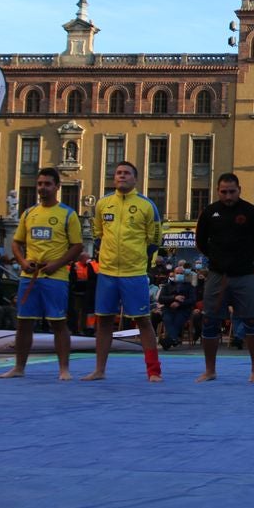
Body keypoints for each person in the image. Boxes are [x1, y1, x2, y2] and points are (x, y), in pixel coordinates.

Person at [82, 161, 164, 382]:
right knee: (104, 320)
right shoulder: (103, 204)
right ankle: (99, 370)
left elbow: (155, 239)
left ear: (135, 179)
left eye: (126, 173)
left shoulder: (147, 205)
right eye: (118, 173)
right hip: (107, 273)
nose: (122, 176)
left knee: (143, 321)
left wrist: (138, 257)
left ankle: (153, 371)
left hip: (134, 273)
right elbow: (98, 233)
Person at [0, 168, 83, 379]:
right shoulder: (28, 213)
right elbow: (16, 243)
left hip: (56, 277)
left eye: (47, 184)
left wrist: (57, 264)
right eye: (40, 184)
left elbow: (77, 246)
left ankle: (64, 369)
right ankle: (19, 367)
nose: (42, 188)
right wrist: (22, 262)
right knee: (24, 322)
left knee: (58, 323)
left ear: (57, 187)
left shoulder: (68, 214)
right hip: (30, 276)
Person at [192, 173, 254, 382]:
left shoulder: (251, 212)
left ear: (239, 190)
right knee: (209, 322)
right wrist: (217, 259)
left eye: (232, 191)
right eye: (223, 192)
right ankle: (210, 370)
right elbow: (200, 242)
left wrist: (243, 259)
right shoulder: (209, 212)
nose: (227, 196)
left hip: (244, 275)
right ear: (218, 191)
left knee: (252, 320)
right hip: (217, 275)